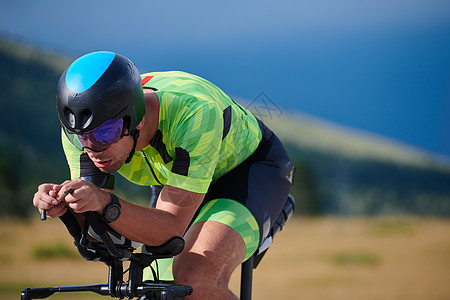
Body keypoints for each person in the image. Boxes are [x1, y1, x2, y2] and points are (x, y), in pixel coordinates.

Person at [33, 51, 294, 299]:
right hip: (174, 178)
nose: (92, 149)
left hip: (247, 172)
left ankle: (271, 211)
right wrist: (69, 207)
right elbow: (102, 234)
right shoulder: (85, 132)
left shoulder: (194, 115)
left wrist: (103, 202)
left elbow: (168, 229)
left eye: (105, 134)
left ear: (137, 120)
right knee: (157, 290)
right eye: (80, 137)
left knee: (194, 282)